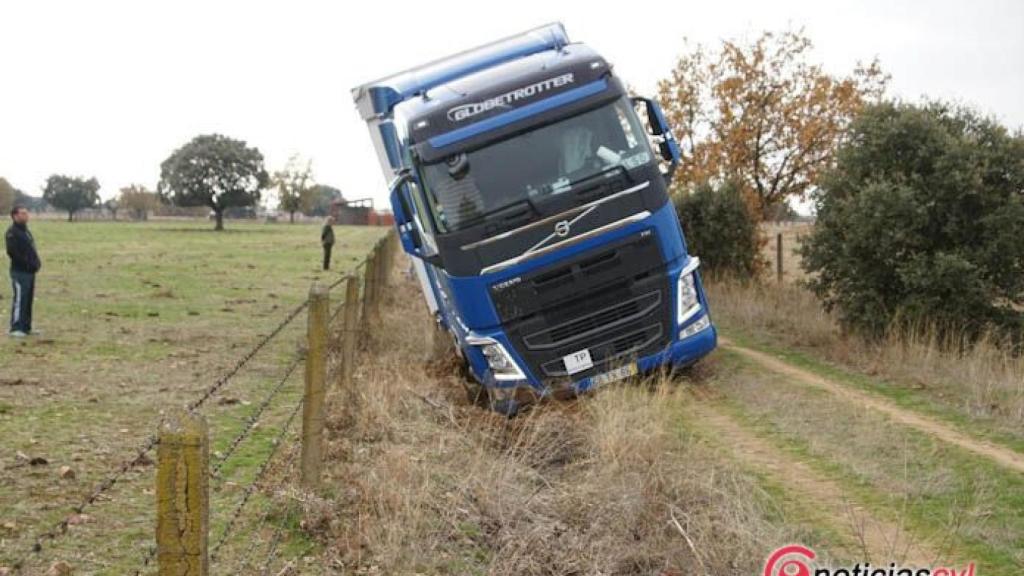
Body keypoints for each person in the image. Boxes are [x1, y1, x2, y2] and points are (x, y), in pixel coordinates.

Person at [6, 205, 41, 337]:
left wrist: (36, 263)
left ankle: (26, 327)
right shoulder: (12, 233)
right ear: (15, 216)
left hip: (30, 272)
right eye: (22, 213)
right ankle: (16, 328)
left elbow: (31, 249)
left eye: (26, 213)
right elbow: (13, 252)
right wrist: (27, 264)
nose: (26, 216)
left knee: (28, 299)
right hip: (19, 272)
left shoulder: (26, 231)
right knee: (20, 299)